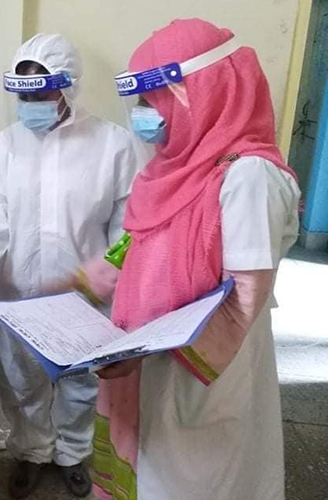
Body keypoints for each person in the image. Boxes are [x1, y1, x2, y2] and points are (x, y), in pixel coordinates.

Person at [90, 19, 301, 500]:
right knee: (153, 468)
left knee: (196, 480)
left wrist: (139, 353)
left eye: (153, 101)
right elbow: (143, 248)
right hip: (150, 355)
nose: (144, 115)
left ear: (202, 94)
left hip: (206, 372)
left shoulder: (248, 176)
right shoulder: (172, 170)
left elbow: (243, 297)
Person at [0, 33, 140, 498]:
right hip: (19, 293)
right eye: (24, 97)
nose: (31, 105)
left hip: (86, 294)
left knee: (80, 381)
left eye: (42, 95)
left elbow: (127, 224)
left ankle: (72, 453)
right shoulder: (2, 149)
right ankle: (31, 451)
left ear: (68, 87)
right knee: (21, 381)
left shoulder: (113, 145)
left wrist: (115, 277)